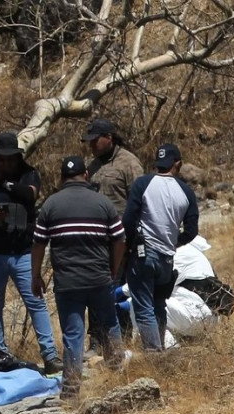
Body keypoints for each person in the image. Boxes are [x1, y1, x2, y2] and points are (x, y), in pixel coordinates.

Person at [0, 132, 62, 374]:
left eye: (10, 159)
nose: (5, 163)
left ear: (17, 158)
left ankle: (50, 355)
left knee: (36, 302)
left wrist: (6, 184)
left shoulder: (29, 174)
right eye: (1, 159)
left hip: (23, 252)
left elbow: (30, 194)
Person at [31, 157, 128, 400]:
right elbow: (120, 240)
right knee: (109, 324)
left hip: (68, 283)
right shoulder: (103, 203)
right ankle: (119, 380)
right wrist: (113, 269)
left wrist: (36, 276)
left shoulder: (51, 205)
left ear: (62, 177)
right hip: (99, 278)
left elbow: (38, 244)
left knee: (73, 334)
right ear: (86, 175)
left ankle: (71, 391)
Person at [123, 144, 199, 351]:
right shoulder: (186, 192)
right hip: (167, 258)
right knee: (158, 304)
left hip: (143, 253)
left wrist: (128, 246)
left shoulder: (143, 184)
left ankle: (153, 353)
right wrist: (174, 241)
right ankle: (160, 348)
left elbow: (128, 221)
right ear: (178, 164)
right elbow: (191, 231)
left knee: (143, 307)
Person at [82, 118, 144, 351]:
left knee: (119, 290)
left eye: (95, 140)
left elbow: (140, 202)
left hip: (122, 240)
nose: (91, 145)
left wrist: (132, 237)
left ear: (109, 137)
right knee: (95, 290)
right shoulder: (92, 166)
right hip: (96, 241)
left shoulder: (129, 163)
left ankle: (122, 339)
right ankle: (97, 340)